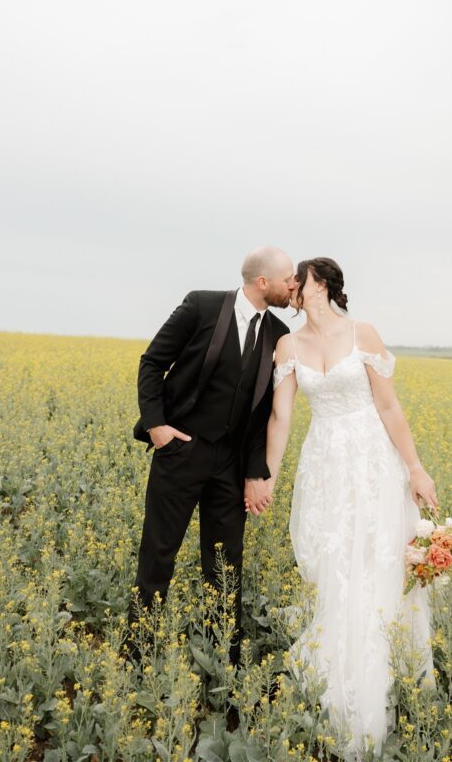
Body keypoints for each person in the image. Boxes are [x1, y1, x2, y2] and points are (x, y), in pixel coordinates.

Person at [245, 257, 438, 760]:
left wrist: (415, 469)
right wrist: (266, 476)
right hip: (325, 466)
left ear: (322, 285)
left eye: (299, 281)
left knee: (377, 563)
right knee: (336, 567)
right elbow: (281, 418)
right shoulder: (288, 346)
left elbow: (390, 407)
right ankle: (339, 673)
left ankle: (380, 674)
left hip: (373, 462)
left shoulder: (363, 334)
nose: (292, 287)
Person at [126, 246, 294, 665]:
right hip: (182, 450)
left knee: (225, 566)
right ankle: (138, 654)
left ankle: (224, 660)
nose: (292, 285)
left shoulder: (277, 332)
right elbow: (152, 363)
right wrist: (157, 426)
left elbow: (261, 412)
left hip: (232, 466)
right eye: (287, 278)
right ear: (262, 282)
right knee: (158, 554)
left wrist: (256, 472)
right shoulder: (200, 306)